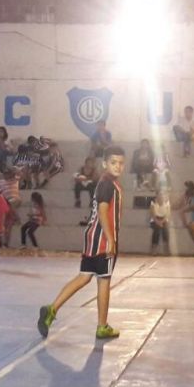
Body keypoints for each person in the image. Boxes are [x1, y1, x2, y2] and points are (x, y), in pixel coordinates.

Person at [38, 146, 125, 340]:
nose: (117, 166)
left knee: (84, 276)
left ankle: (51, 310)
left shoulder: (106, 183)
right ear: (104, 164)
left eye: (120, 163)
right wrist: (111, 239)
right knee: (104, 280)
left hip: (92, 237)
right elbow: (103, 211)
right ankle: (102, 326)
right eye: (113, 162)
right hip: (102, 239)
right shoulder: (107, 184)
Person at [149, 190, 171, 256]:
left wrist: (162, 221)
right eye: (159, 194)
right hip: (155, 219)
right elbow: (152, 214)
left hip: (164, 219)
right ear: (156, 195)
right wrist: (157, 222)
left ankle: (166, 248)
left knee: (166, 229)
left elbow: (168, 214)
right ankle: (154, 248)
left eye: (162, 194)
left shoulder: (167, 202)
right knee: (157, 229)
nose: (161, 196)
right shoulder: (153, 202)